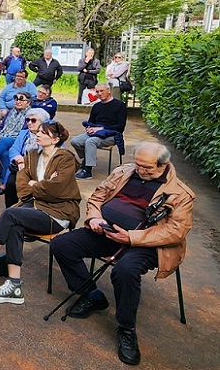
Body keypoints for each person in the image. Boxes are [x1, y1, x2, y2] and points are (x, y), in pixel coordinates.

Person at [50, 142, 194, 366]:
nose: (140, 171)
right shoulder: (123, 172)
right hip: (106, 233)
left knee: (125, 271)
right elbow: (97, 197)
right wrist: (95, 218)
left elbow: (176, 232)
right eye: (138, 165)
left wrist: (131, 238)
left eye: (147, 167)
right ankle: (92, 296)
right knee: (62, 245)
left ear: (164, 165)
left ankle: (126, 329)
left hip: (146, 244)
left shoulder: (180, 193)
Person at [0, 121, 81, 305]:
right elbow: (22, 188)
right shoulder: (32, 155)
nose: (37, 134)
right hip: (34, 208)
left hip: (58, 214)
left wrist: (37, 185)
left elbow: (58, 189)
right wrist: (43, 185)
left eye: (43, 132)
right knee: (14, 225)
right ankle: (15, 285)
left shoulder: (65, 159)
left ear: (55, 139)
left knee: (10, 214)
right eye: (38, 131)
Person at [72, 83, 127, 180]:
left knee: (90, 141)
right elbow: (91, 122)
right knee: (75, 141)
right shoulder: (96, 106)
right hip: (95, 133)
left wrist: (102, 129)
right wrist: (89, 128)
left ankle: (87, 171)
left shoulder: (119, 105)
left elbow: (120, 127)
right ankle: (88, 158)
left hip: (112, 134)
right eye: (97, 91)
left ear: (109, 90)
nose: (99, 93)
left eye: (102, 91)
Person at [0, 108, 51, 206]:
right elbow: (14, 149)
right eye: (27, 120)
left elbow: (50, 156)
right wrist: (18, 159)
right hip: (21, 168)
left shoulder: (50, 136)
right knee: (11, 183)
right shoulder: (24, 133)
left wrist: (26, 161)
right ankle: (10, 210)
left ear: (43, 122)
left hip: (40, 170)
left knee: (32, 186)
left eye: (33, 120)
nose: (29, 123)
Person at [0, 90, 33, 194]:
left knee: (6, 141)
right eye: (16, 98)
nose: (18, 101)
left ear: (28, 102)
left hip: (21, 141)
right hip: (6, 140)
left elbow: (25, 132)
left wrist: (6, 137)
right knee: (5, 153)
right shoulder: (11, 112)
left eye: (21, 99)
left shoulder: (30, 115)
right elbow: (1, 127)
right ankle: (4, 184)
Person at [0, 69, 37, 142]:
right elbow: (1, 97)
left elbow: (33, 98)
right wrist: (3, 108)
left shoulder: (30, 86)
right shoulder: (9, 86)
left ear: (25, 78)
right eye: (17, 76)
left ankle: (15, 136)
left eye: (21, 77)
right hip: (7, 108)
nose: (19, 78)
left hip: (23, 109)